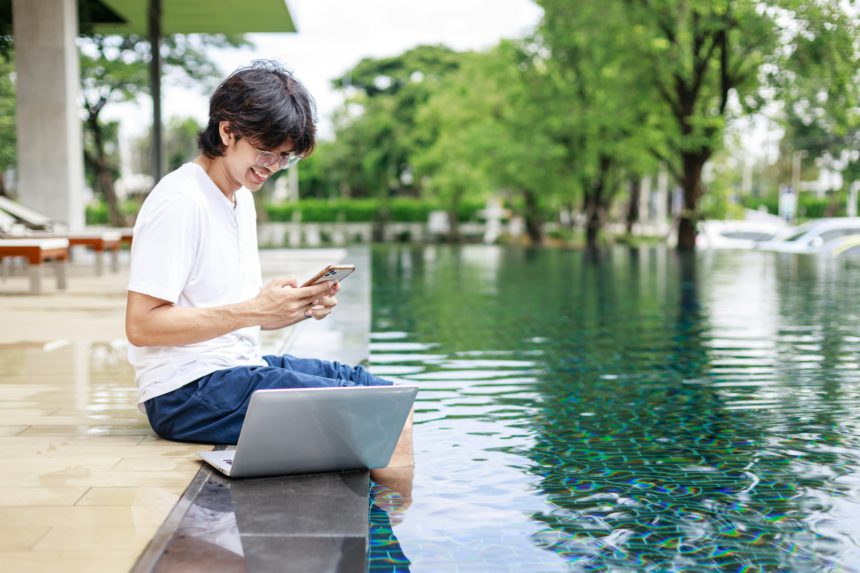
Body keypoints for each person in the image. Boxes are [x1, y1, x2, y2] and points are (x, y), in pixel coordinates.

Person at [125, 61, 413, 472]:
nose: (273, 167)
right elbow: (142, 325)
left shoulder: (240, 197)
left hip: (235, 368)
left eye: (284, 158)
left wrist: (287, 308)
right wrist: (255, 310)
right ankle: (391, 527)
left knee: (384, 395)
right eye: (265, 152)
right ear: (227, 132)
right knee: (373, 416)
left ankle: (389, 521)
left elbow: (221, 311)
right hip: (184, 391)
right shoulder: (180, 201)